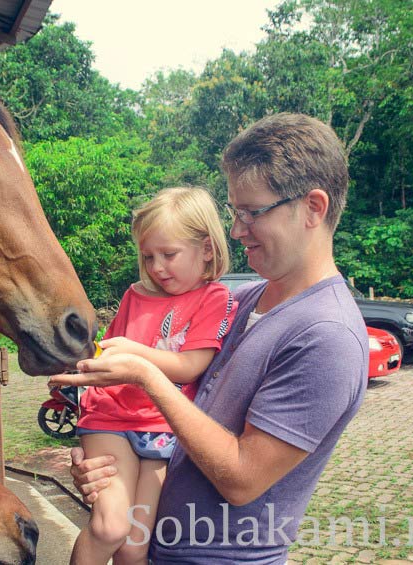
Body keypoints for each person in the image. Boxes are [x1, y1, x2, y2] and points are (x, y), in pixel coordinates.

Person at [51, 113, 369, 564]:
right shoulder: (243, 301)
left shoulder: (327, 337)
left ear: (313, 208)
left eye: (250, 213)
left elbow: (242, 479)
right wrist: (105, 469)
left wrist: (145, 375)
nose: (236, 230)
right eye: (234, 213)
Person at [70, 187, 237, 565]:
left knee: (134, 546)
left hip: (163, 429)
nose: (158, 267)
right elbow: (107, 352)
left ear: (207, 249)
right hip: (110, 420)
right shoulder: (135, 294)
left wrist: (134, 353)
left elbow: (192, 364)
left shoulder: (216, 298)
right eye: (148, 257)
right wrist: (78, 368)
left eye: (169, 255)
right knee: (109, 528)